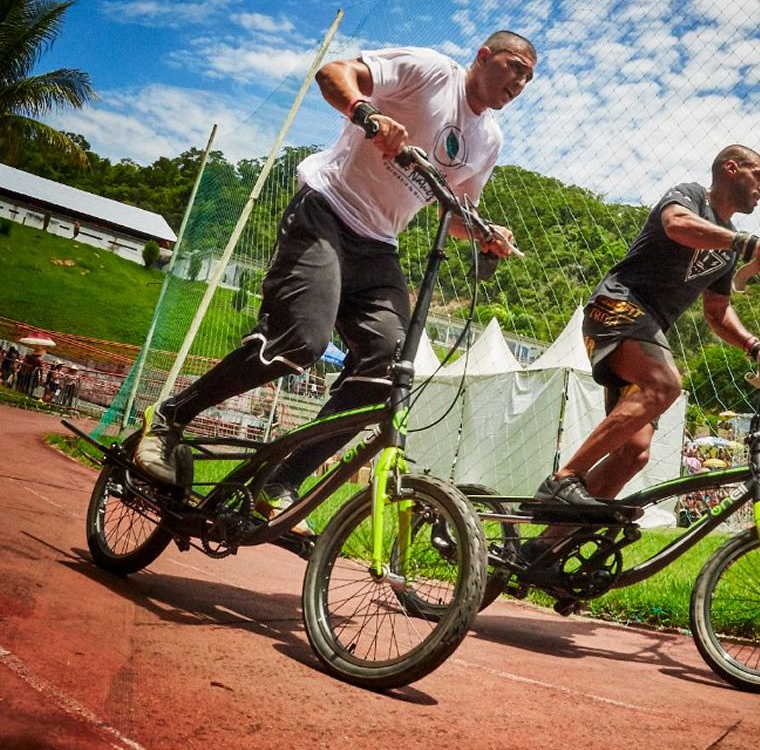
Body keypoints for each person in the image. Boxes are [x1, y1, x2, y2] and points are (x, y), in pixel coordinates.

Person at [134, 31, 537, 532]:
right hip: (326, 211)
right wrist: (367, 112)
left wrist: (483, 232)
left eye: (528, 76)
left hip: (379, 247)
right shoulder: (431, 71)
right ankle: (171, 416)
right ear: (482, 56)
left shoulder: (489, 140)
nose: (519, 81)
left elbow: (455, 212)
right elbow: (333, 74)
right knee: (299, 342)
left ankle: (279, 483)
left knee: (388, 374)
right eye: (514, 66)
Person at [533, 145, 760, 518]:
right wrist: (744, 242)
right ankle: (564, 479)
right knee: (665, 385)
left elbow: (717, 312)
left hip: (644, 329)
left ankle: (547, 549)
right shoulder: (692, 197)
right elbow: (675, 226)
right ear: (732, 169)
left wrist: (754, 346)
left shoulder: (728, 247)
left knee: (634, 452)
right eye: (758, 176)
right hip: (617, 305)